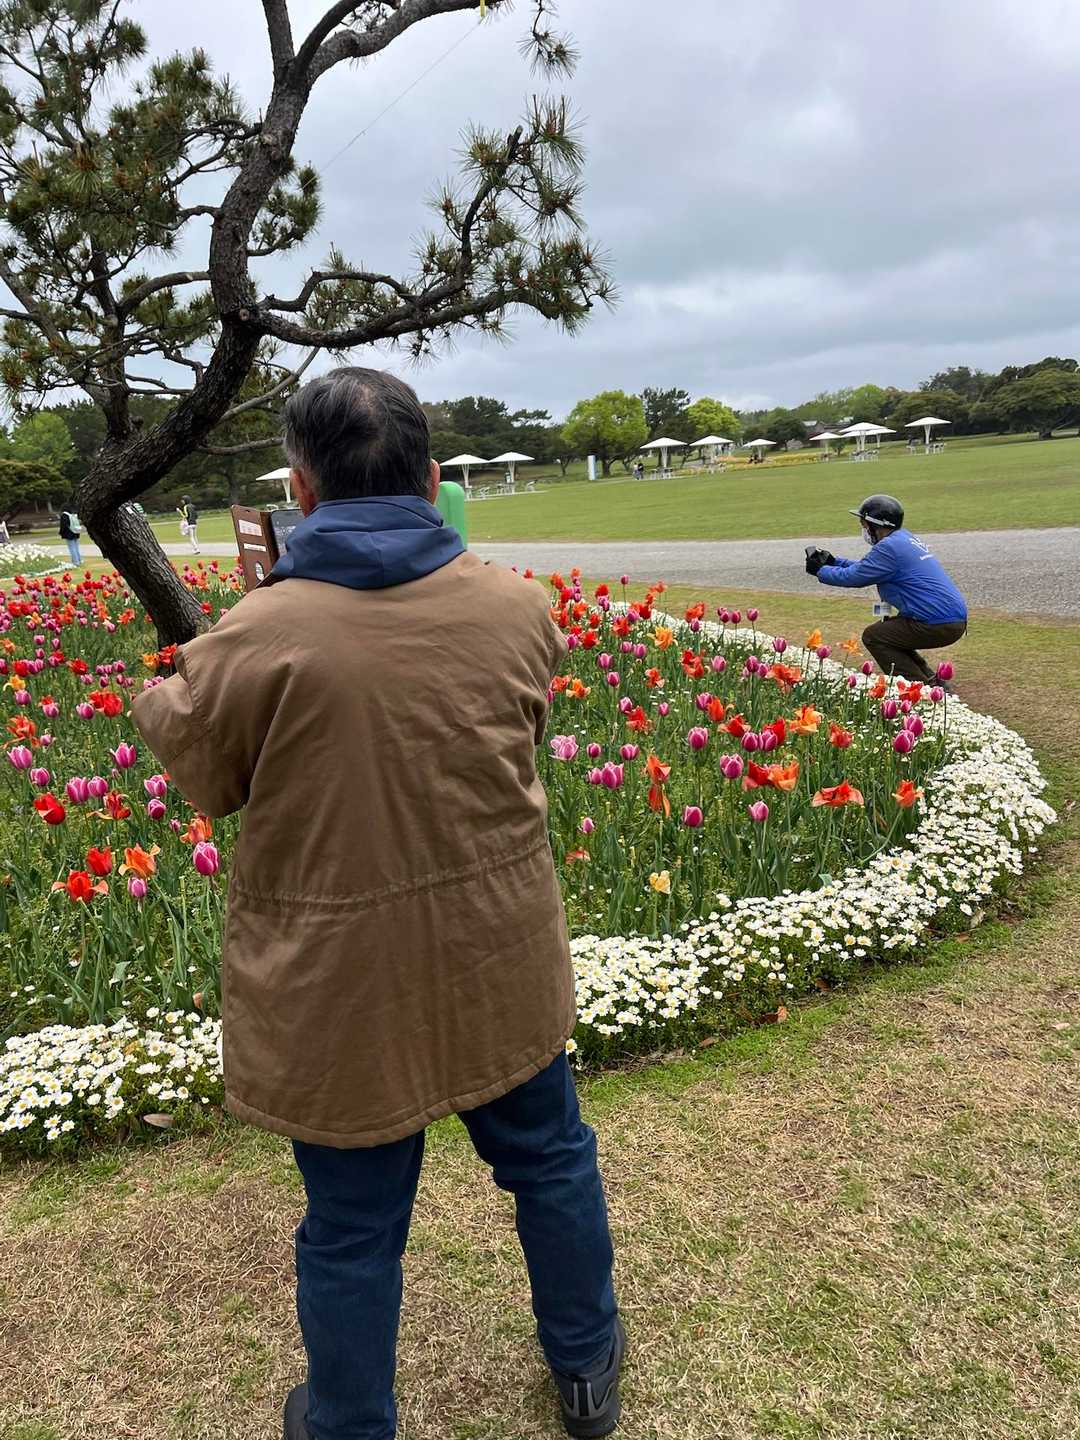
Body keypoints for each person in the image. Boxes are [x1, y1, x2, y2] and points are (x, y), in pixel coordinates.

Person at [132, 368, 623, 1440]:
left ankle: (350, 1421)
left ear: (301, 490)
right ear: (432, 479)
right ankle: (588, 1365)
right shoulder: (518, 605)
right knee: (550, 1161)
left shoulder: (258, 634)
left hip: (340, 979)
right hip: (498, 950)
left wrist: (184, 667)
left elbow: (206, 777)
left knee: (353, 1225)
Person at [805, 493, 967, 683]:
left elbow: (854, 577)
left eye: (864, 524)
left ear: (876, 525)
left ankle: (918, 689)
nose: (863, 529)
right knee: (889, 632)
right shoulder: (902, 538)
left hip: (938, 624)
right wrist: (834, 561)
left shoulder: (888, 548)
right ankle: (932, 683)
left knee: (875, 636)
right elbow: (867, 568)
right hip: (948, 619)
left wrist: (820, 571)